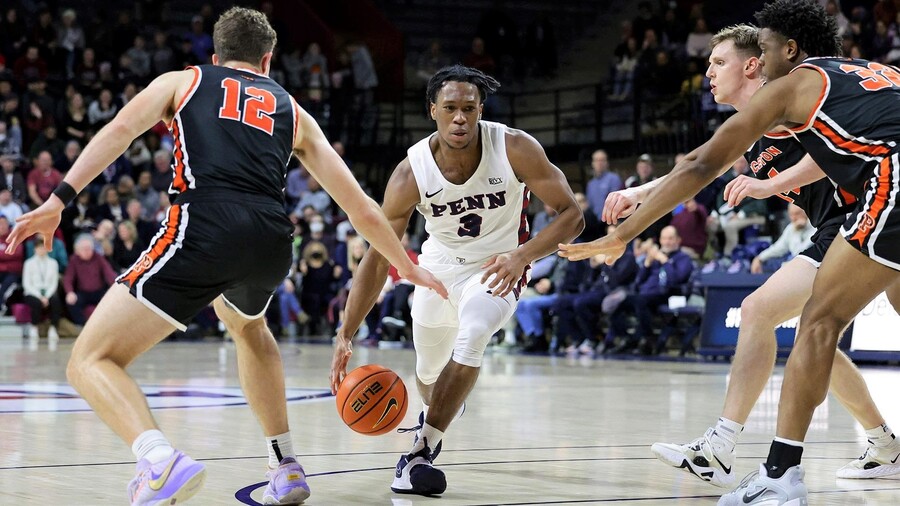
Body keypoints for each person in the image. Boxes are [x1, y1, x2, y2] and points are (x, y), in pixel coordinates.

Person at [5, 7, 445, 506]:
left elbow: (120, 131)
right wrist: (404, 265)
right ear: (267, 59)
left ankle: (157, 460)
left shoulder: (184, 80)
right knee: (248, 328)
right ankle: (286, 465)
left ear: (215, 56)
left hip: (204, 225)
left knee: (89, 359)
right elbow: (363, 209)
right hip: (270, 239)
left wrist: (57, 200)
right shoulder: (293, 110)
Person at [560, 3, 900, 503]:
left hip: (866, 205)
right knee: (807, 325)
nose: (757, 63)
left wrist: (624, 232)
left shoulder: (787, 91)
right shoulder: (859, 73)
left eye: (757, 52)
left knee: (810, 322)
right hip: (860, 211)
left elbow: (705, 164)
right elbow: (713, 163)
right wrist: (643, 193)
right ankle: (876, 442)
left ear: (786, 50)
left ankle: (776, 472)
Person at [329, 64, 583, 496]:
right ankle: (442, 402)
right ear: (433, 111)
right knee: (428, 377)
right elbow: (378, 254)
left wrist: (521, 256)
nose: (460, 117)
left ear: (481, 109)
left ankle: (419, 453)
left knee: (474, 335)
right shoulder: (411, 171)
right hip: (436, 271)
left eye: (469, 108)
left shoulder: (514, 147)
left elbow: (573, 215)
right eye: (450, 108)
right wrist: (345, 331)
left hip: (498, 266)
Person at [21, 237, 62, 341]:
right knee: (36, 303)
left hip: (48, 291)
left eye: (44, 248)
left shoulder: (53, 263)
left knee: (56, 300)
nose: (42, 250)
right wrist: (40, 297)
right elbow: (27, 284)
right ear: (35, 249)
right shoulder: (28, 263)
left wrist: (47, 296)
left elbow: (54, 283)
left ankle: (53, 328)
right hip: (33, 292)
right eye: (39, 248)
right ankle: (34, 327)